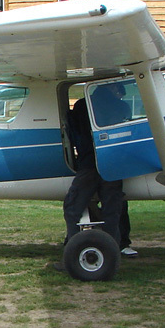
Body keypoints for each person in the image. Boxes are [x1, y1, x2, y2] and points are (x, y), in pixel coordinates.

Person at [62, 83, 135, 255]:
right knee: (113, 210)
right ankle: (114, 250)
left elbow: (76, 132)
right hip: (113, 163)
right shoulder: (122, 107)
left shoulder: (81, 105)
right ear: (115, 90)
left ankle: (71, 248)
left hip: (89, 162)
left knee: (72, 207)